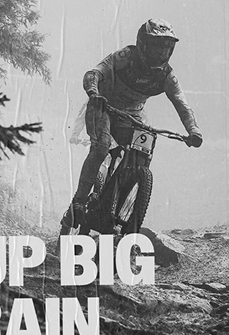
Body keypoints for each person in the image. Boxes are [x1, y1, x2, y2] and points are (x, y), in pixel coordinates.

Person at [63, 19, 204, 231]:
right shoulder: (124, 57)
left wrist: (193, 130)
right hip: (103, 107)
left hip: (133, 116)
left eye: (166, 48)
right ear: (143, 44)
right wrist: (94, 93)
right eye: (157, 47)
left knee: (142, 157)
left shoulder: (167, 75)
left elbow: (182, 104)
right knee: (101, 147)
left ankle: (119, 207)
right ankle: (79, 202)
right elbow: (94, 73)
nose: (161, 53)